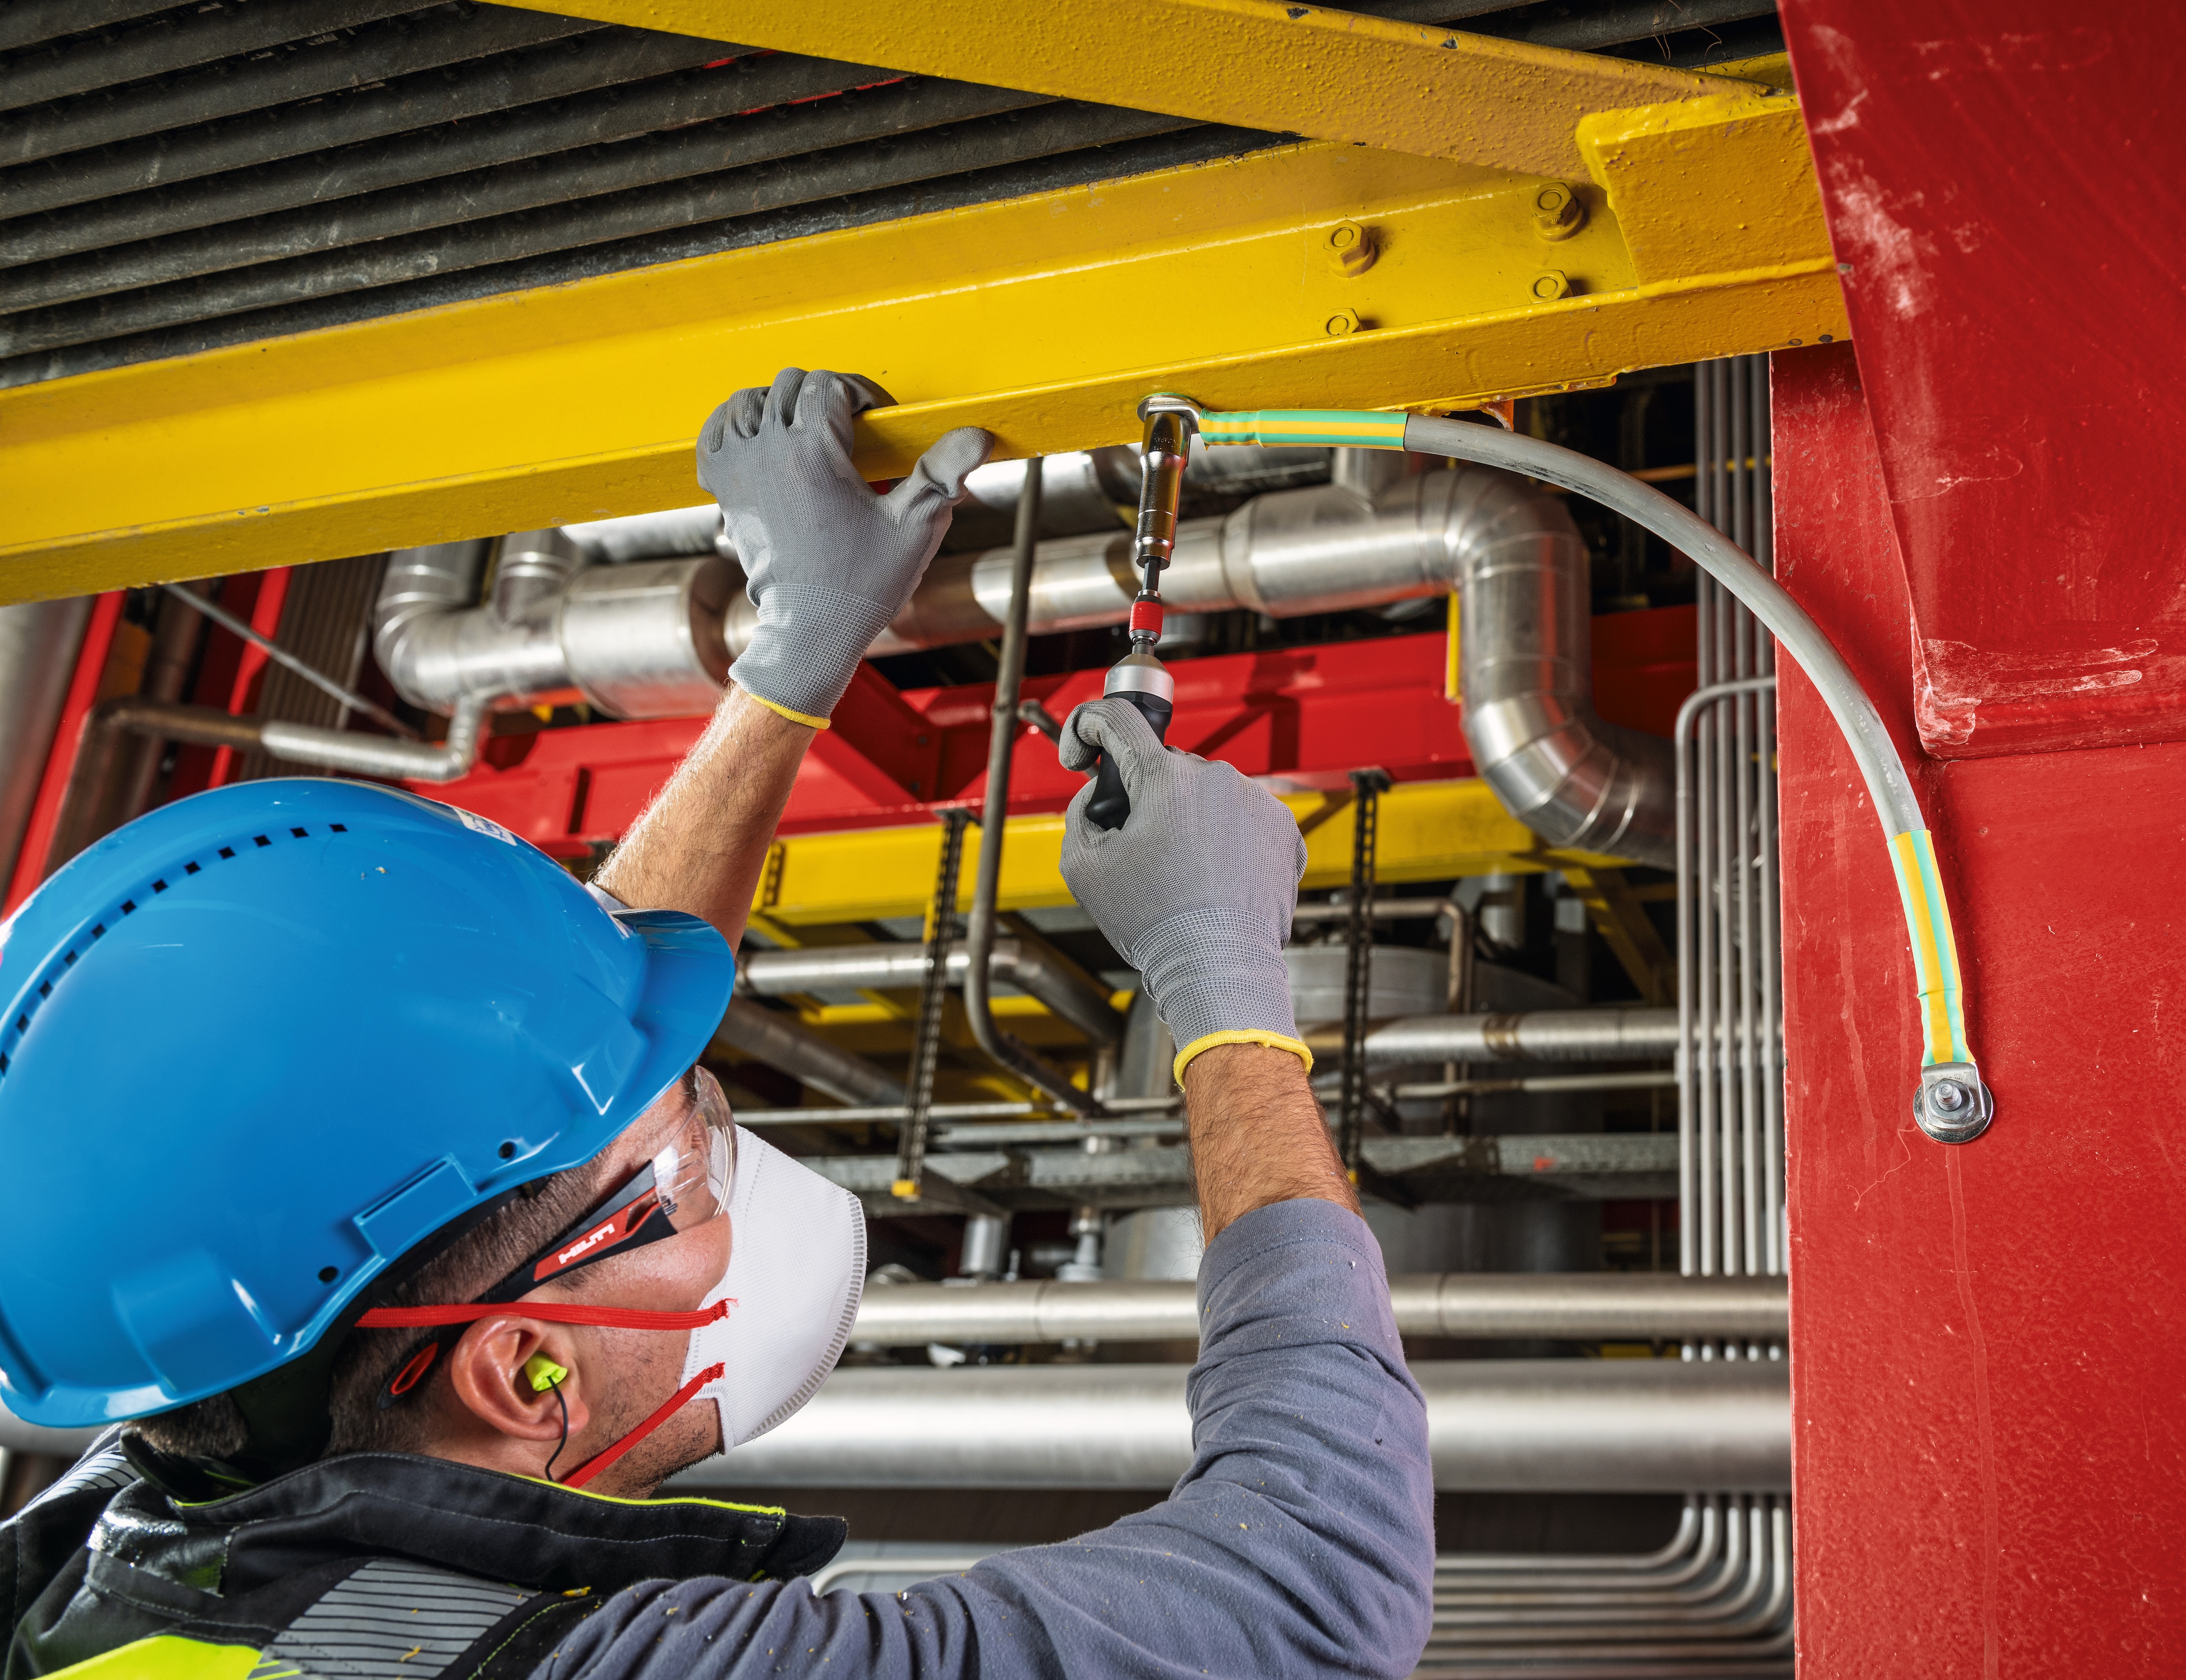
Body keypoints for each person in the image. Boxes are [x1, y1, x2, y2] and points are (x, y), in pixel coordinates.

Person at [0, 371, 1433, 1678]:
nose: (728, 1171)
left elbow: (538, 1076)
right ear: (523, 1367)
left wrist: (788, 666)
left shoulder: (126, 1529)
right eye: (694, 1158)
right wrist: (1223, 982)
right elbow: (1309, 1593)